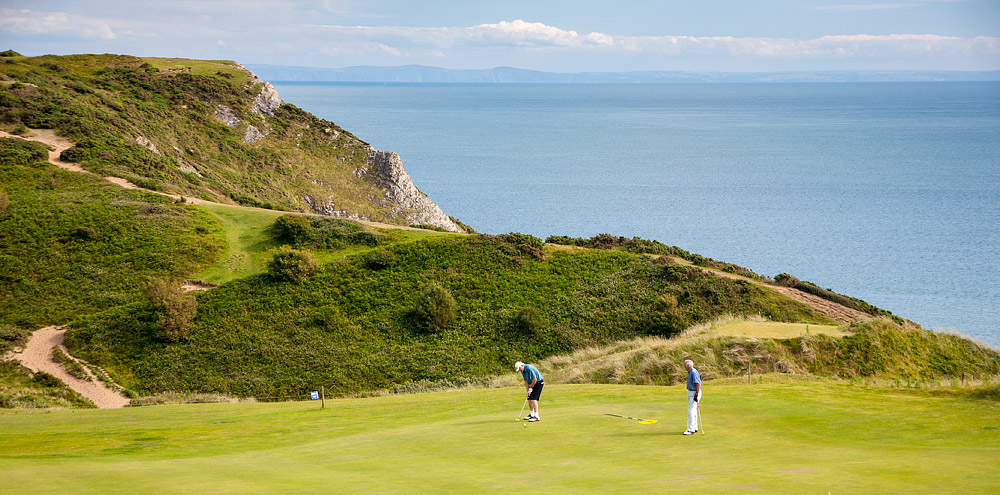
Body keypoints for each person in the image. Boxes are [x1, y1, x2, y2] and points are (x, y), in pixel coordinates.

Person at [683, 359, 701, 435]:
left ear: (688, 366)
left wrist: (696, 394)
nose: (684, 366)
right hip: (692, 392)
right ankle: (694, 427)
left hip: (694, 392)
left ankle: (690, 429)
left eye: (684, 365)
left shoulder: (693, 372)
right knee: (693, 410)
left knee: (690, 411)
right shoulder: (691, 372)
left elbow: (697, 384)